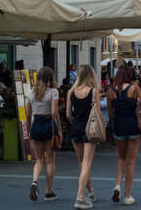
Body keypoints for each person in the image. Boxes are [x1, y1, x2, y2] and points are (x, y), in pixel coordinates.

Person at [66, 65, 103, 209]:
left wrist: (75, 122)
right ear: (91, 76)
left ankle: (90, 192)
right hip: (90, 129)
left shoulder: (71, 92)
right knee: (87, 164)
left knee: (82, 164)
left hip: (75, 128)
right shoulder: (94, 92)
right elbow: (98, 112)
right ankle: (80, 197)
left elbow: (68, 114)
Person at [108, 66, 141, 205]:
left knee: (121, 158)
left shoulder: (111, 91)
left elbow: (111, 113)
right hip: (133, 126)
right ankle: (127, 195)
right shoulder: (134, 88)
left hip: (119, 126)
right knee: (131, 161)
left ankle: (117, 185)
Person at [26, 67, 62, 202]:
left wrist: (30, 130)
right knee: (50, 161)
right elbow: (54, 112)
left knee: (39, 160)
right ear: (50, 78)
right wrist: (59, 129)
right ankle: (48, 192)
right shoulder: (53, 92)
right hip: (48, 125)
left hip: (36, 125)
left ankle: (34, 182)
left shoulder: (31, 93)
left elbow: (28, 114)